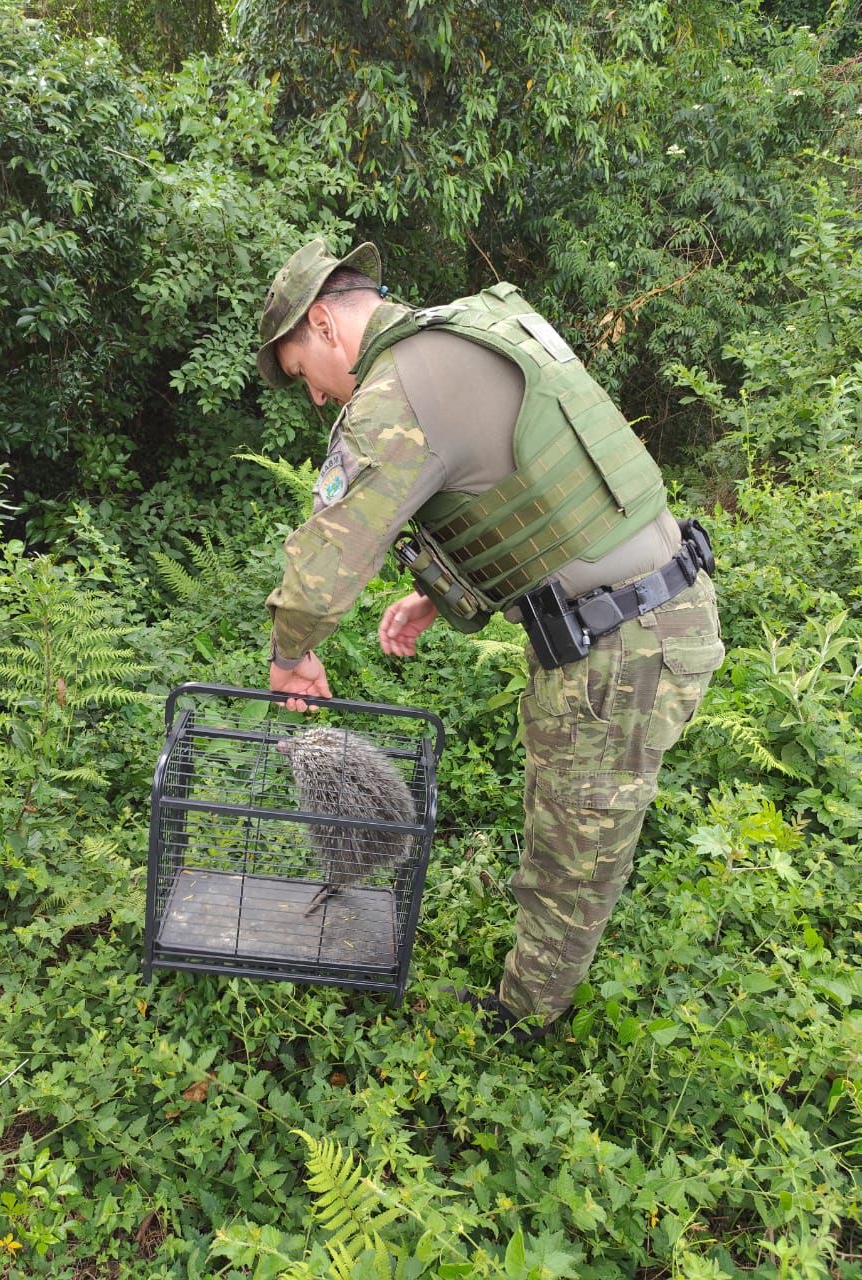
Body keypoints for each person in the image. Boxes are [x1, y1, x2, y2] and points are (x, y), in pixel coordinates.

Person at [257, 237, 724, 1041]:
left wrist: (290, 655)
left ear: (327, 325)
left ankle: (524, 1025)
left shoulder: (393, 391)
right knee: (579, 824)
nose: (320, 400)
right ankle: (537, 998)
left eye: (304, 374)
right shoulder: (479, 322)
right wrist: (434, 593)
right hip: (669, 605)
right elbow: (535, 486)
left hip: (621, 649)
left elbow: (329, 555)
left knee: (571, 851)